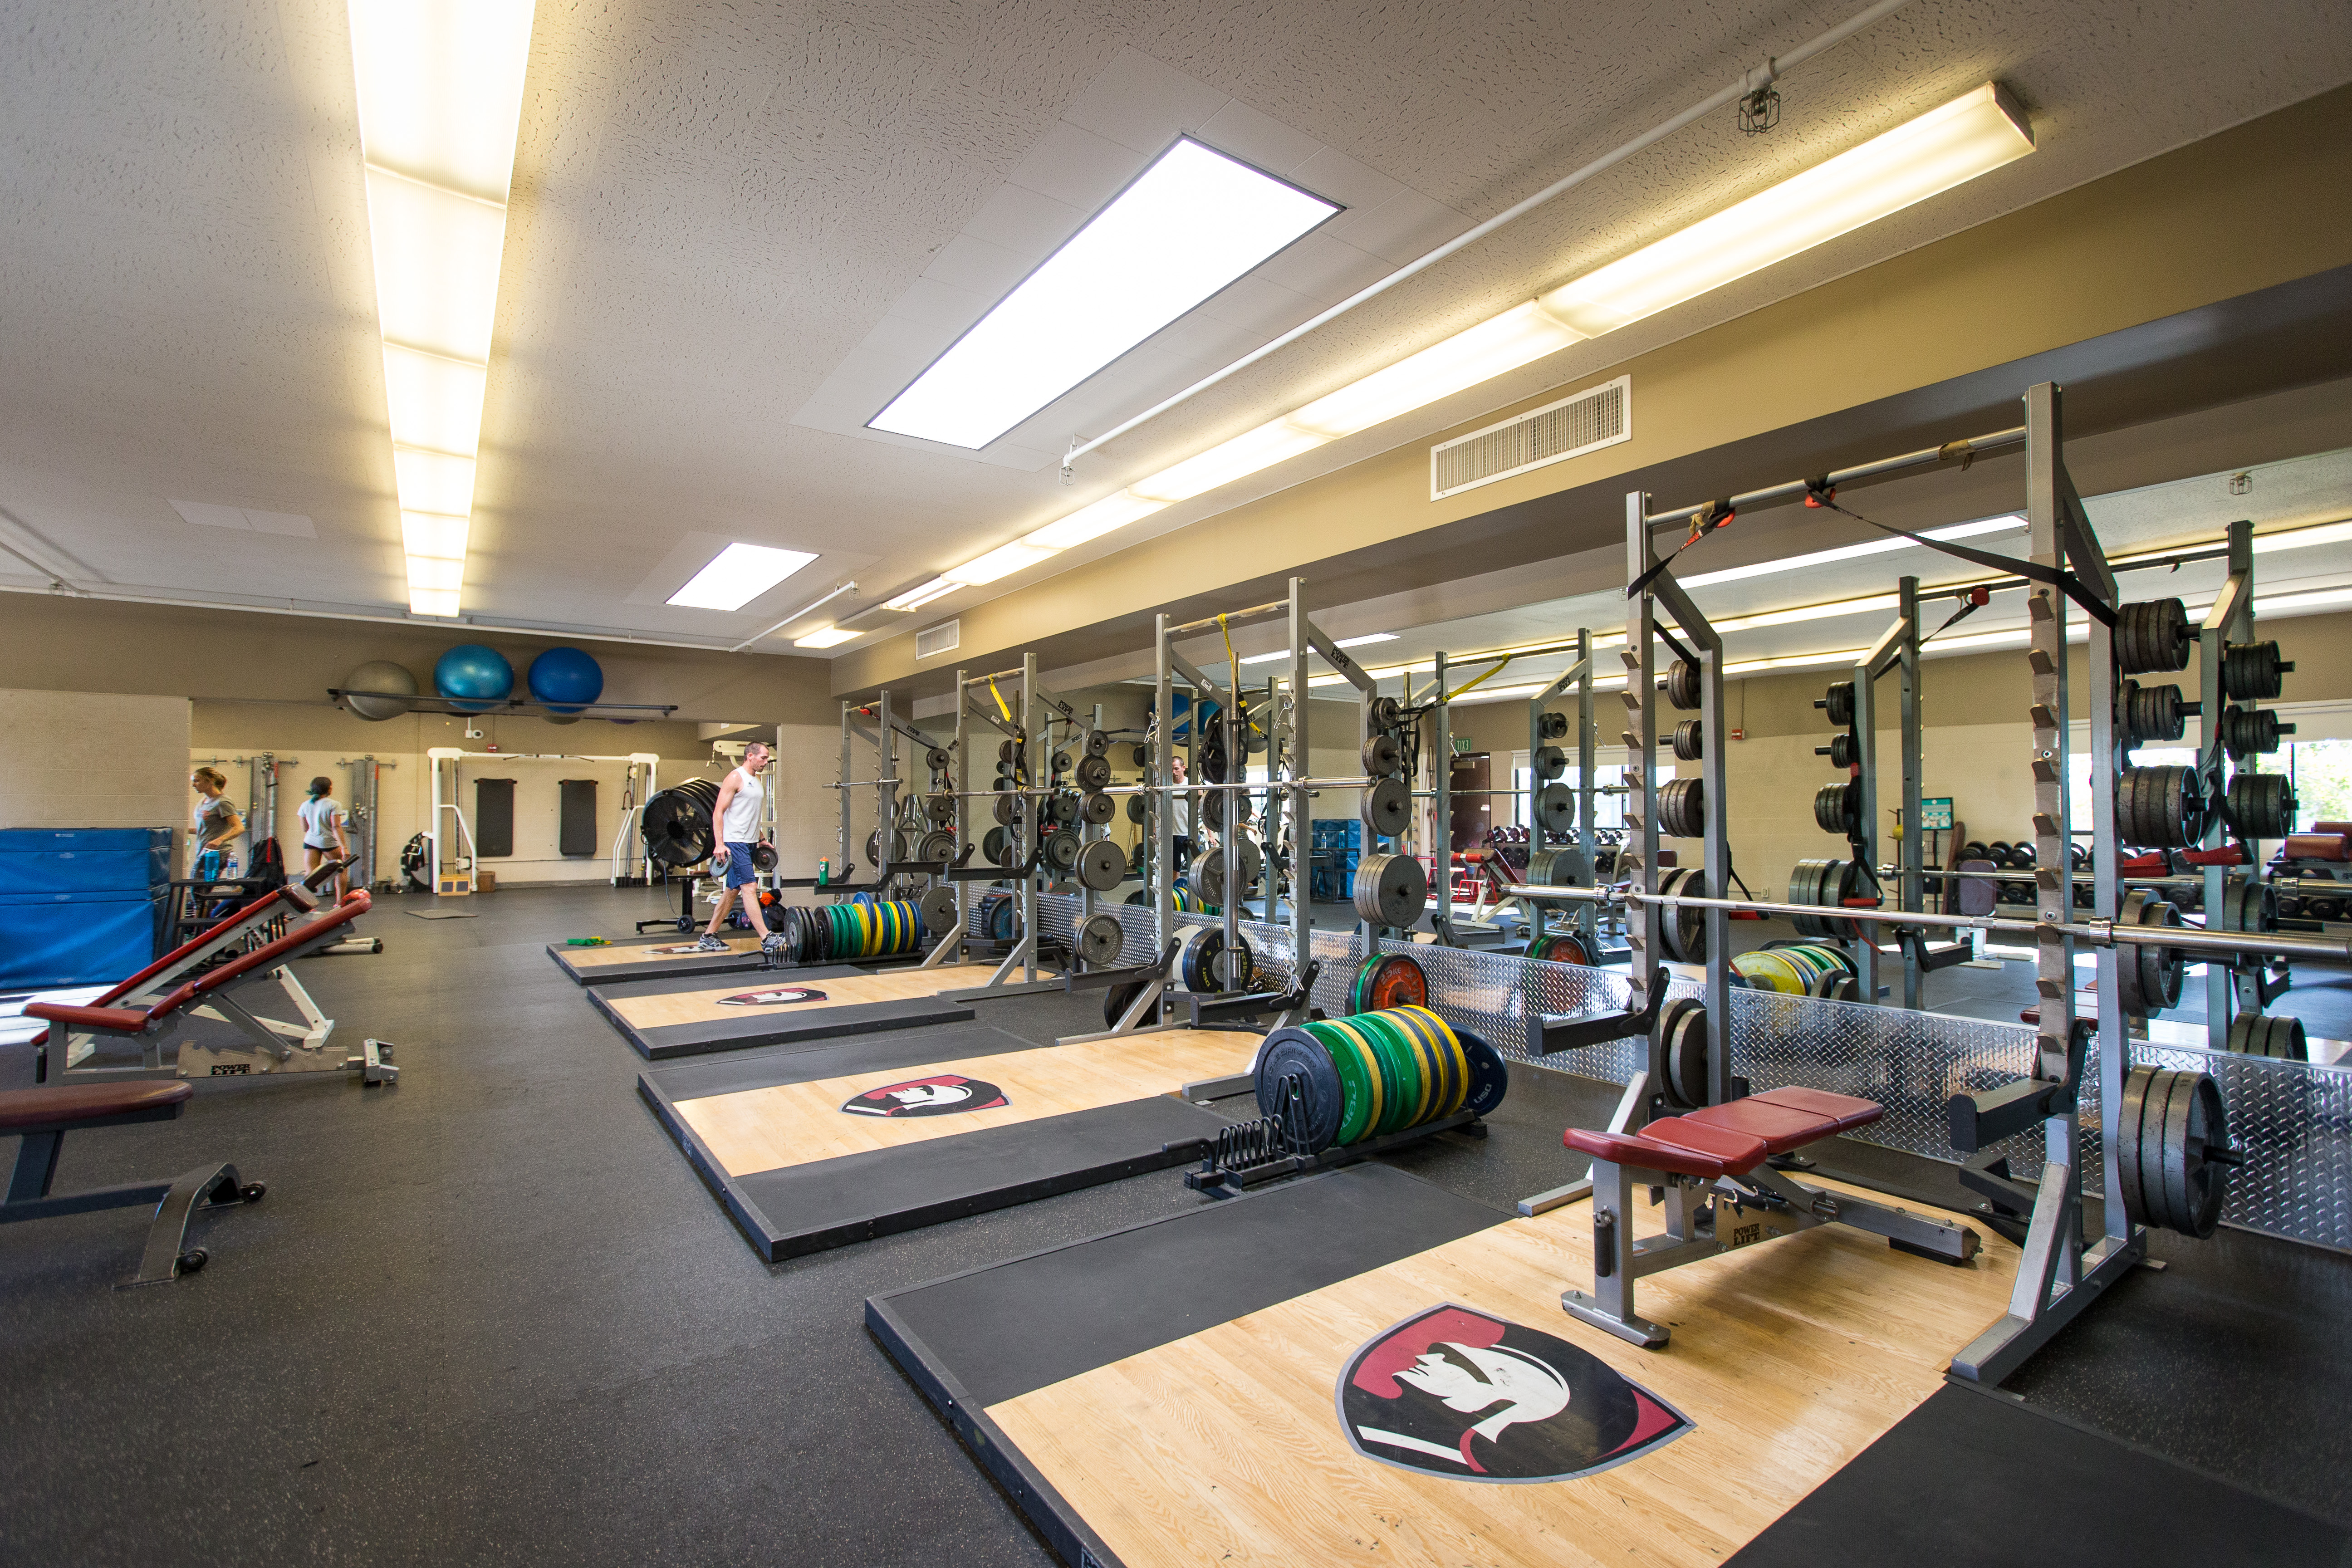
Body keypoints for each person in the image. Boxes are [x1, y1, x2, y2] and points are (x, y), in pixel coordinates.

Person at [698, 742, 780, 953]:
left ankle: (708, 936)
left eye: (767, 758)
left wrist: (760, 838)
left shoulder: (757, 779)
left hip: (750, 842)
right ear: (750, 756)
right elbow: (718, 812)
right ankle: (766, 937)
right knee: (749, 888)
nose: (766, 761)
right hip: (735, 843)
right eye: (763, 758)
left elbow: (751, 813)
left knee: (732, 891)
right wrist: (719, 843)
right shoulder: (735, 778)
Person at [297, 775, 352, 900]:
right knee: (341, 870)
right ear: (329, 789)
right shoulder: (334, 804)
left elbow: (305, 828)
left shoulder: (305, 805)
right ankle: (339, 904)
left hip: (310, 842)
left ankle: (308, 906)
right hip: (328, 843)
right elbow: (336, 827)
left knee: (310, 876)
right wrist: (344, 848)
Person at [189, 768, 245, 883]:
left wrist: (219, 840)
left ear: (210, 781)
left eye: (197, 781)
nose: (193, 785)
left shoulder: (223, 802)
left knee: (198, 889)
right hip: (204, 851)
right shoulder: (203, 803)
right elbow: (206, 830)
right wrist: (186, 831)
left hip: (218, 853)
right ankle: (213, 902)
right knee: (202, 890)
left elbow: (239, 828)